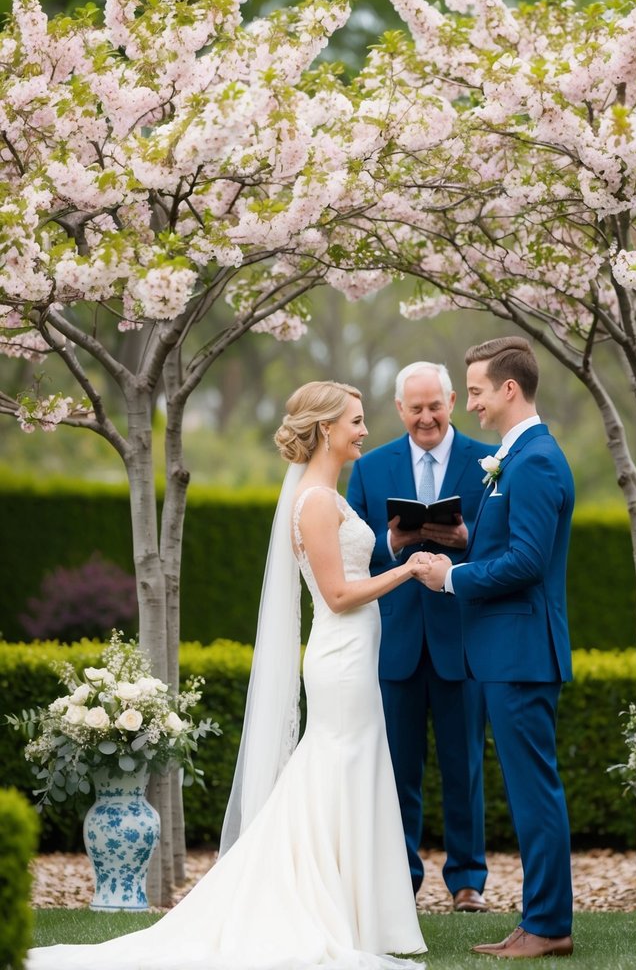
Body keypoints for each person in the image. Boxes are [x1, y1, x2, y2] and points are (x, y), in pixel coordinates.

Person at [28, 380, 426, 970]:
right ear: (324, 430)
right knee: (335, 770)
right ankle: (314, 906)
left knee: (349, 771)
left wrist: (391, 549)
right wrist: (410, 570)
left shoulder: (326, 495)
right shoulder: (315, 501)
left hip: (353, 658)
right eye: (356, 421)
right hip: (340, 660)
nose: (365, 431)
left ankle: (356, 912)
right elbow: (339, 594)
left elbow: (346, 568)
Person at [412, 338, 575, 960]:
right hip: (506, 652)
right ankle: (538, 920)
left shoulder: (533, 459)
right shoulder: (518, 455)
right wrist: (466, 538)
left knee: (535, 793)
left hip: (521, 652)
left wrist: (450, 576)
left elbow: (529, 562)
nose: (469, 403)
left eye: (475, 391)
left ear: (510, 389)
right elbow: (510, 541)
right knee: (531, 791)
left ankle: (549, 927)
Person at [346, 362, 489, 911]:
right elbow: (356, 549)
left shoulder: (489, 462)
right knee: (398, 768)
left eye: (436, 405)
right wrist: (393, 540)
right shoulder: (371, 467)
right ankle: (400, 878)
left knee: (465, 766)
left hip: (462, 635)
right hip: (396, 638)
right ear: (399, 408)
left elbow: (505, 543)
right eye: (415, 408)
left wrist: (465, 535)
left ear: (452, 400)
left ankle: (467, 881)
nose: (426, 417)